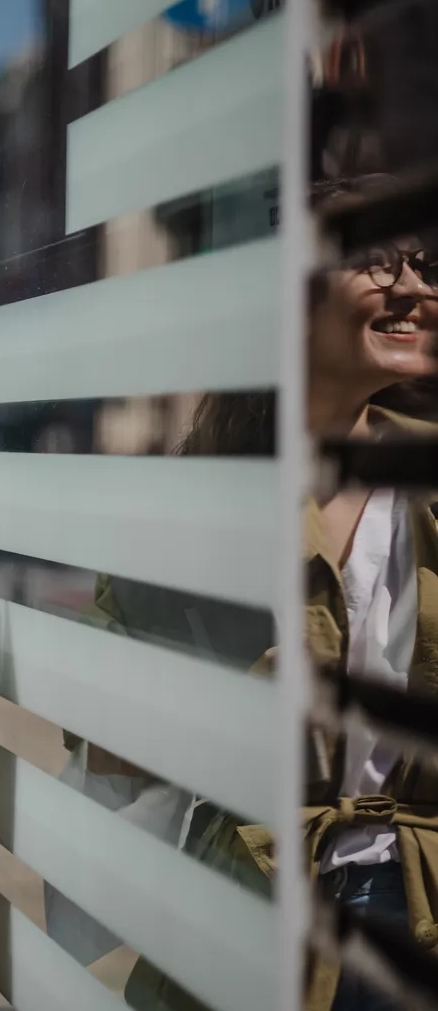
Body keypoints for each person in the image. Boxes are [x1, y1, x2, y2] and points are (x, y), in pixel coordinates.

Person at [97, 205, 438, 1011]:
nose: (415, 288)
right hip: (253, 905)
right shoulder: (194, 506)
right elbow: (106, 745)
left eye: (427, 265)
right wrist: (233, 704)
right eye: (382, 261)